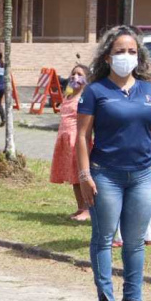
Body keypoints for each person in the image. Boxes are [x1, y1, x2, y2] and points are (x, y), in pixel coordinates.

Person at [75, 26, 151, 301]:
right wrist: (84, 174)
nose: (125, 56)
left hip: (144, 174)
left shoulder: (149, 90)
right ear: (107, 56)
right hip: (106, 175)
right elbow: (81, 135)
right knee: (103, 239)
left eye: (131, 51)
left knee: (135, 242)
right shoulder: (95, 91)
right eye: (119, 51)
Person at [50, 64, 90, 221]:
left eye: (80, 74)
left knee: (82, 175)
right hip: (65, 140)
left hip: (77, 140)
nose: (75, 77)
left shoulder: (86, 97)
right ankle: (80, 207)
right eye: (73, 74)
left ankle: (88, 209)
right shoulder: (68, 95)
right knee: (73, 176)